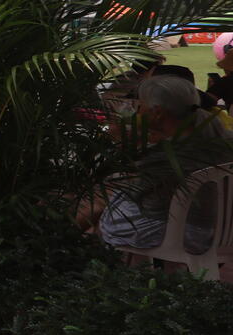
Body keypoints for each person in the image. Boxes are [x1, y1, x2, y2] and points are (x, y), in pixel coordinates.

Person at [80, 73, 233, 251]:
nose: (138, 112)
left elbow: (140, 196)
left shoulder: (168, 154)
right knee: (107, 198)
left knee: (104, 198)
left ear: (158, 112)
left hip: (185, 233)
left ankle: (71, 247)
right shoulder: (220, 137)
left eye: (140, 107)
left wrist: (124, 146)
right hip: (222, 230)